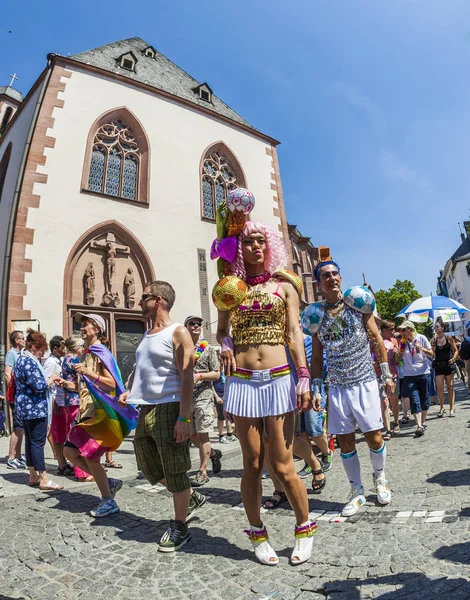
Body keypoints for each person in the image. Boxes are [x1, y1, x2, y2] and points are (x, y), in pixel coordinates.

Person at [214, 214, 317, 566]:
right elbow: (221, 331)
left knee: (283, 464)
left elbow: (293, 333)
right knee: (252, 464)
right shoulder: (231, 290)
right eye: (247, 241)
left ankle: (304, 528)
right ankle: (258, 532)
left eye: (260, 241)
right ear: (238, 248)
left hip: (278, 377)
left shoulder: (283, 286)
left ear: (269, 245)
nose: (254, 246)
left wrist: (303, 374)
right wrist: (225, 344)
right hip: (241, 381)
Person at [119, 281, 206, 552]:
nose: (138, 301)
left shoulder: (178, 332)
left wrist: (184, 418)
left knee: (175, 469)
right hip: (145, 408)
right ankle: (189, 496)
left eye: (143, 297)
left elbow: (186, 376)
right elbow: (143, 369)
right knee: (148, 466)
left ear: (157, 300)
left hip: (169, 407)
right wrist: (130, 390)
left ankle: (180, 526)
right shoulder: (147, 334)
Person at [306, 261, 394, 518]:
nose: (332, 278)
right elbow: (317, 356)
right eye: (326, 275)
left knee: (374, 436)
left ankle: (380, 479)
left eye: (335, 273)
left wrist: (386, 373)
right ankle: (356, 491)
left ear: (340, 277)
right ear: (318, 283)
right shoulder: (315, 315)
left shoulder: (358, 304)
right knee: (344, 441)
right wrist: (316, 389)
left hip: (364, 380)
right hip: (337, 386)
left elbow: (376, 338)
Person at [63, 313, 138, 517]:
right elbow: (82, 388)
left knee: (92, 456)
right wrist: (67, 384)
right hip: (85, 412)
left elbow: (111, 383)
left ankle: (108, 501)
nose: (82, 327)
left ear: (97, 328)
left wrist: (88, 372)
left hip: (99, 414)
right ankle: (108, 483)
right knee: (69, 453)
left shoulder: (99, 352)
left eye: (86, 324)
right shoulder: (86, 354)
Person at [13, 330, 63, 491]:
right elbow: (39, 386)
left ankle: (33, 475)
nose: (42, 354)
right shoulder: (28, 361)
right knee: (38, 443)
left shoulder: (22, 359)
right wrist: (52, 379)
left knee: (30, 441)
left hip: (27, 408)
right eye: (42, 350)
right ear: (35, 347)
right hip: (35, 408)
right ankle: (44, 478)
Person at [184, 316, 222, 486]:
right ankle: (213, 454)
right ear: (186, 327)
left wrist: (199, 376)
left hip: (204, 395)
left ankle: (202, 471)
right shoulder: (182, 348)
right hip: (186, 396)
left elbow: (216, 373)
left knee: (203, 433)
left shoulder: (207, 349)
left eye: (198, 323)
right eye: (192, 323)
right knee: (192, 437)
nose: (196, 325)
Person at [56, 335, 91, 481]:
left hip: (68, 401)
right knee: (80, 436)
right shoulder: (75, 361)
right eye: (82, 346)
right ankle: (83, 472)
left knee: (75, 434)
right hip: (77, 400)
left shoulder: (65, 360)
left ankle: (83, 470)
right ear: (76, 348)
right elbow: (83, 383)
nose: (83, 349)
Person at [397, 320, 434, 437]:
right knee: (414, 398)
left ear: (410, 329)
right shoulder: (403, 342)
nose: (402, 332)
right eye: (401, 330)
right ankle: (419, 425)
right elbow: (398, 359)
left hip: (423, 372)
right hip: (409, 375)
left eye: (404, 330)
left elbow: (432, 354)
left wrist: (422, 349)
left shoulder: (421, 338)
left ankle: (422, 423)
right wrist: (398, 352)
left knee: (424, 398)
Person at [43, 336, 73, 476]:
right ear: (55, 348)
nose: (64, 349)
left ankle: (64, 462)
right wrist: (54, 402)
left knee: (64, 433)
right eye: (62, 347)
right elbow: (48, 384)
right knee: (58, 435)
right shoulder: (50, 362)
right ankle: (61, 464)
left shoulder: (59, 360)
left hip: (63, 401)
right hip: (57, 403)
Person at [4, 330, 26, 470]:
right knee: (17, 428)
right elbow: (7, 374)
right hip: (16, 396)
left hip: (22, 396)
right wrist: (15, 391)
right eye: (23, 338)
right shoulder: (11, 354)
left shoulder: (21, 354)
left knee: (21, 428)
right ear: (17, 340)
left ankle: (18, 455)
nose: (24, 340)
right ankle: (11, 457)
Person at [432, 318, 459, 418]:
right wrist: (431, 349)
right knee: (439, 388)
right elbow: (432, 353)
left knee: (450, 387)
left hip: (449, 365)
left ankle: (451, 409)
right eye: (435, 327)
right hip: (439, 366)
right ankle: (442, 407)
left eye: (437, 327)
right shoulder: (434, 340)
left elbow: (456, 350)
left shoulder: (449, 338)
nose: (436, 328)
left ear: (442, 328)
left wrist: (454, 358)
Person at [379, 321, 400, 436]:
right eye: (391, 329)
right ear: (384, 330)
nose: (393, 332)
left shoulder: (394, 341)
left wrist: (397, 354)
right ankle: (387, 429)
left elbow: (398, 361)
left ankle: (396, 423)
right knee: (384, 402)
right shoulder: (377, 341)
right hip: (380, 375)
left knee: (394, 401)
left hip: (393, 374)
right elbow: (371, 357)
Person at [213, 371, 236, 443]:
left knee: (229, 416)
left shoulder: (227, 369)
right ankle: (221, 436)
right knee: (221, 417)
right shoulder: (215, 370)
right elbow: (211, 385)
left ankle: (229, 434)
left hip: (228, 395)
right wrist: (216, 397)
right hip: (219, 395)